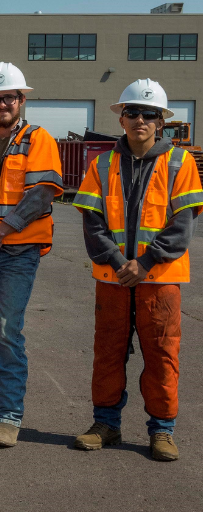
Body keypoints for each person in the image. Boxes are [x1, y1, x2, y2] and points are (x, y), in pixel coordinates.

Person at [72, 79, 201, 461]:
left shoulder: (180, 162)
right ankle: (106, 424)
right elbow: (92, 222)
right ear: (122, 118)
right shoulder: (102, 164)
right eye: (132, 112)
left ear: (160, 121)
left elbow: (183, 225)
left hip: (160, 279)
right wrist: (118, 262)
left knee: (162, 354)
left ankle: (162, 431)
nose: (140, 119)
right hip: (113, 279)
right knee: (107, 353)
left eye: (149, 113)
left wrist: (144, 263)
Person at [0, 62, 63, 447]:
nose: (2, 104)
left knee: (6, 330)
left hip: (18, 251)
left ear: (21, 100)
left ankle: (9, 416)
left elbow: (41, 195)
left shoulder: (38, 139)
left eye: (9, 97)